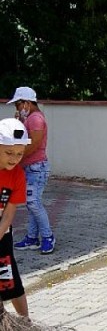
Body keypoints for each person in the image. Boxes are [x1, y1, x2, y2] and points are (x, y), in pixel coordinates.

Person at [7, 87, 55, 254]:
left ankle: (48, 237)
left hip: (36, 168)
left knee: (33, 202)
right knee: (31, 203)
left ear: (26, 103)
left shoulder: (36, 119)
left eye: (18, 105)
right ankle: (32, 238)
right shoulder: (30, 119)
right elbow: (21, 139)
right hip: (31, 167)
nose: (17, 109)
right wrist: (19, 122)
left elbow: (33, 144)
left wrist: (16, 159)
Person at [0, 118, 32, 318]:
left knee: (9, 280)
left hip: (2, 233)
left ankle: (26, 323)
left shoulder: (18, 175)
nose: (14, 158)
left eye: (19, 154)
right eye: (8, 153)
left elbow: (9, 214)